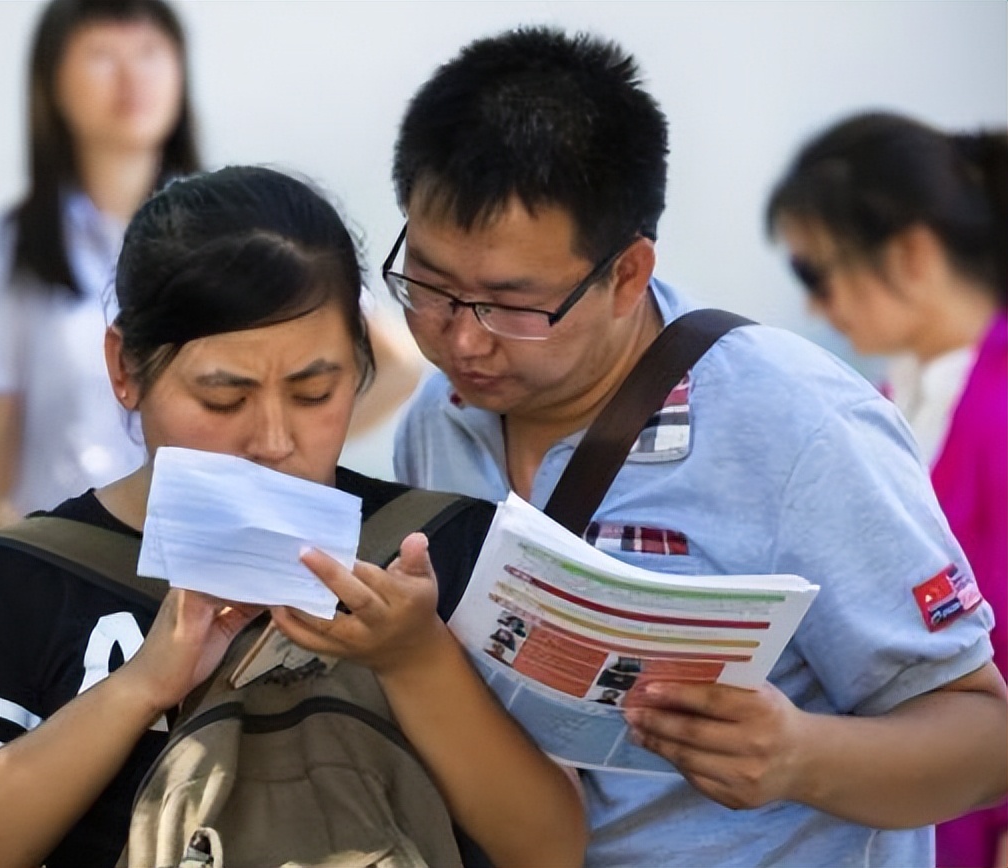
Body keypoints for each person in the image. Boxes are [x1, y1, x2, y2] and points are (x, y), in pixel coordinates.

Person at [387, 27, 1007, 867]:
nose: (463, 341)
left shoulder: (797, 425)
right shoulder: (440, 418)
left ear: (628, 274)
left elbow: (982, 737)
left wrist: (799, 757)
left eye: (512, 303)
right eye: (426, 285)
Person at [0, 166, 587, 868]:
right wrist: (142, 685)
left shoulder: (439, 553)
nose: (272, 440)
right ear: (125, 369)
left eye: (314, 392)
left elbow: (550, 847)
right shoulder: (16, 579)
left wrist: (416, 658)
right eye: (223, 398)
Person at [0, 0, 420, 528]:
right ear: (51, 81)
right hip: (77, 556)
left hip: (223, 541)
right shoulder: (15, 245)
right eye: (103, 56)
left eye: (151, 53)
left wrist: (279, 457)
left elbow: (398, 364)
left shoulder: (233, 223)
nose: (132, 77)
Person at [767, 112, 1008, 868]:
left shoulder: (998, 412)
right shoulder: (879, 403)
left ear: (908, 253)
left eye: (816, 273)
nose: (813, 307)